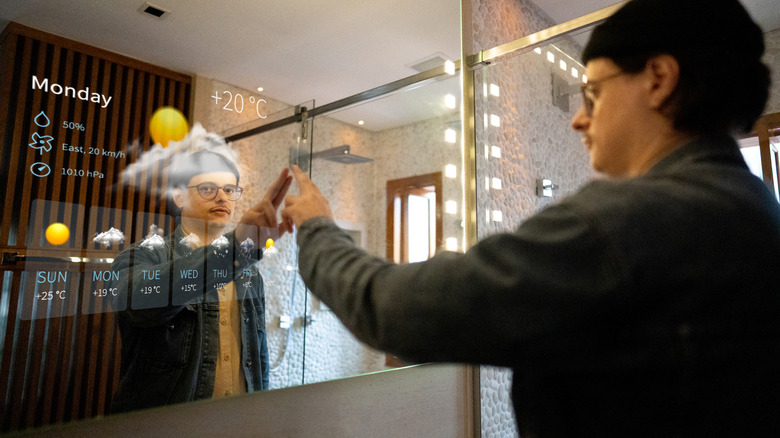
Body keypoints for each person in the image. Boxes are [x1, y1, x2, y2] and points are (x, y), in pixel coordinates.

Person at [281, 0, 780, 436]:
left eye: (594, 93)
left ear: (658, 79)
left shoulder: (620, 225)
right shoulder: (757, 209)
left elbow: (391, 312)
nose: (578, 118)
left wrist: (317, 227)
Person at [110, 130, 292, 413]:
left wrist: (261, 413)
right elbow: (138, 305)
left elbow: (259, 355)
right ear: (179, 197)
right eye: (208, 188)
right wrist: (236, 251)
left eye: (230, 190)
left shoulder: (248, 271)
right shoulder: (144, 256)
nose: (222, 198)